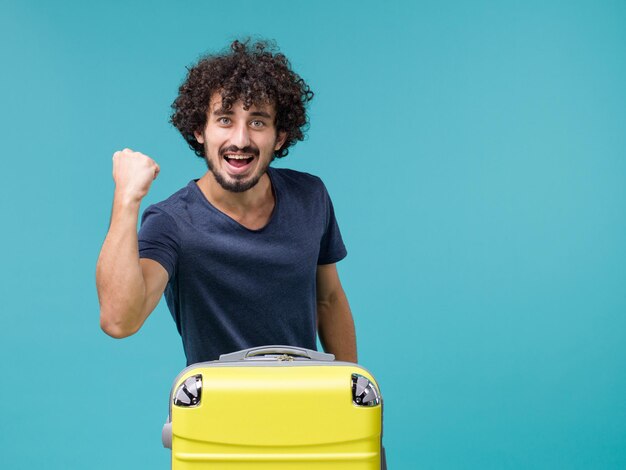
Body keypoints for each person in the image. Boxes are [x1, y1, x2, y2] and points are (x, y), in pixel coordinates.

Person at [96, 39, 357, 365]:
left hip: (303, 405)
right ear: (199, 130)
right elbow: (119, 320)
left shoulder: (310, 196)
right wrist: (126, 199)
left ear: (280, 136)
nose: (241, 139)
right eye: (224, 120)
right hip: (216, 411)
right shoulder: (172, 223)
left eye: (258, 122)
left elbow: (329, 299)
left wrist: (352, 397)